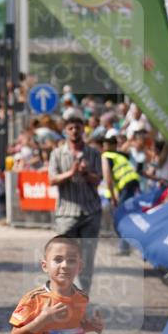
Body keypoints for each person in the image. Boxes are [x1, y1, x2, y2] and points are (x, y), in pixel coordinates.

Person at [48, 108, 102, 294]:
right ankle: (63, 293)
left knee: (86, 257)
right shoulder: (57, 154)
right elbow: (52, 179)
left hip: (90, 211)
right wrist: (70, 173)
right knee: (62, 256)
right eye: (70, 128)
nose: (74, 131)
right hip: (66, 212)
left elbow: (98, 180)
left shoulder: (94, 153)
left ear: (83, 129)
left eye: (78, 127)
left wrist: (87, 173)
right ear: (65, 130)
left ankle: (83, 294)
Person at [100, 130, 141, 255]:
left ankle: (124, 247)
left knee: (121, 216)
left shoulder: (106, 156)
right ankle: (126, 245)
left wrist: (113, 197)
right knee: (128, 215)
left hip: (126, 186)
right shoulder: (120, 155)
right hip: (133, 184)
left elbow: (108, 178)